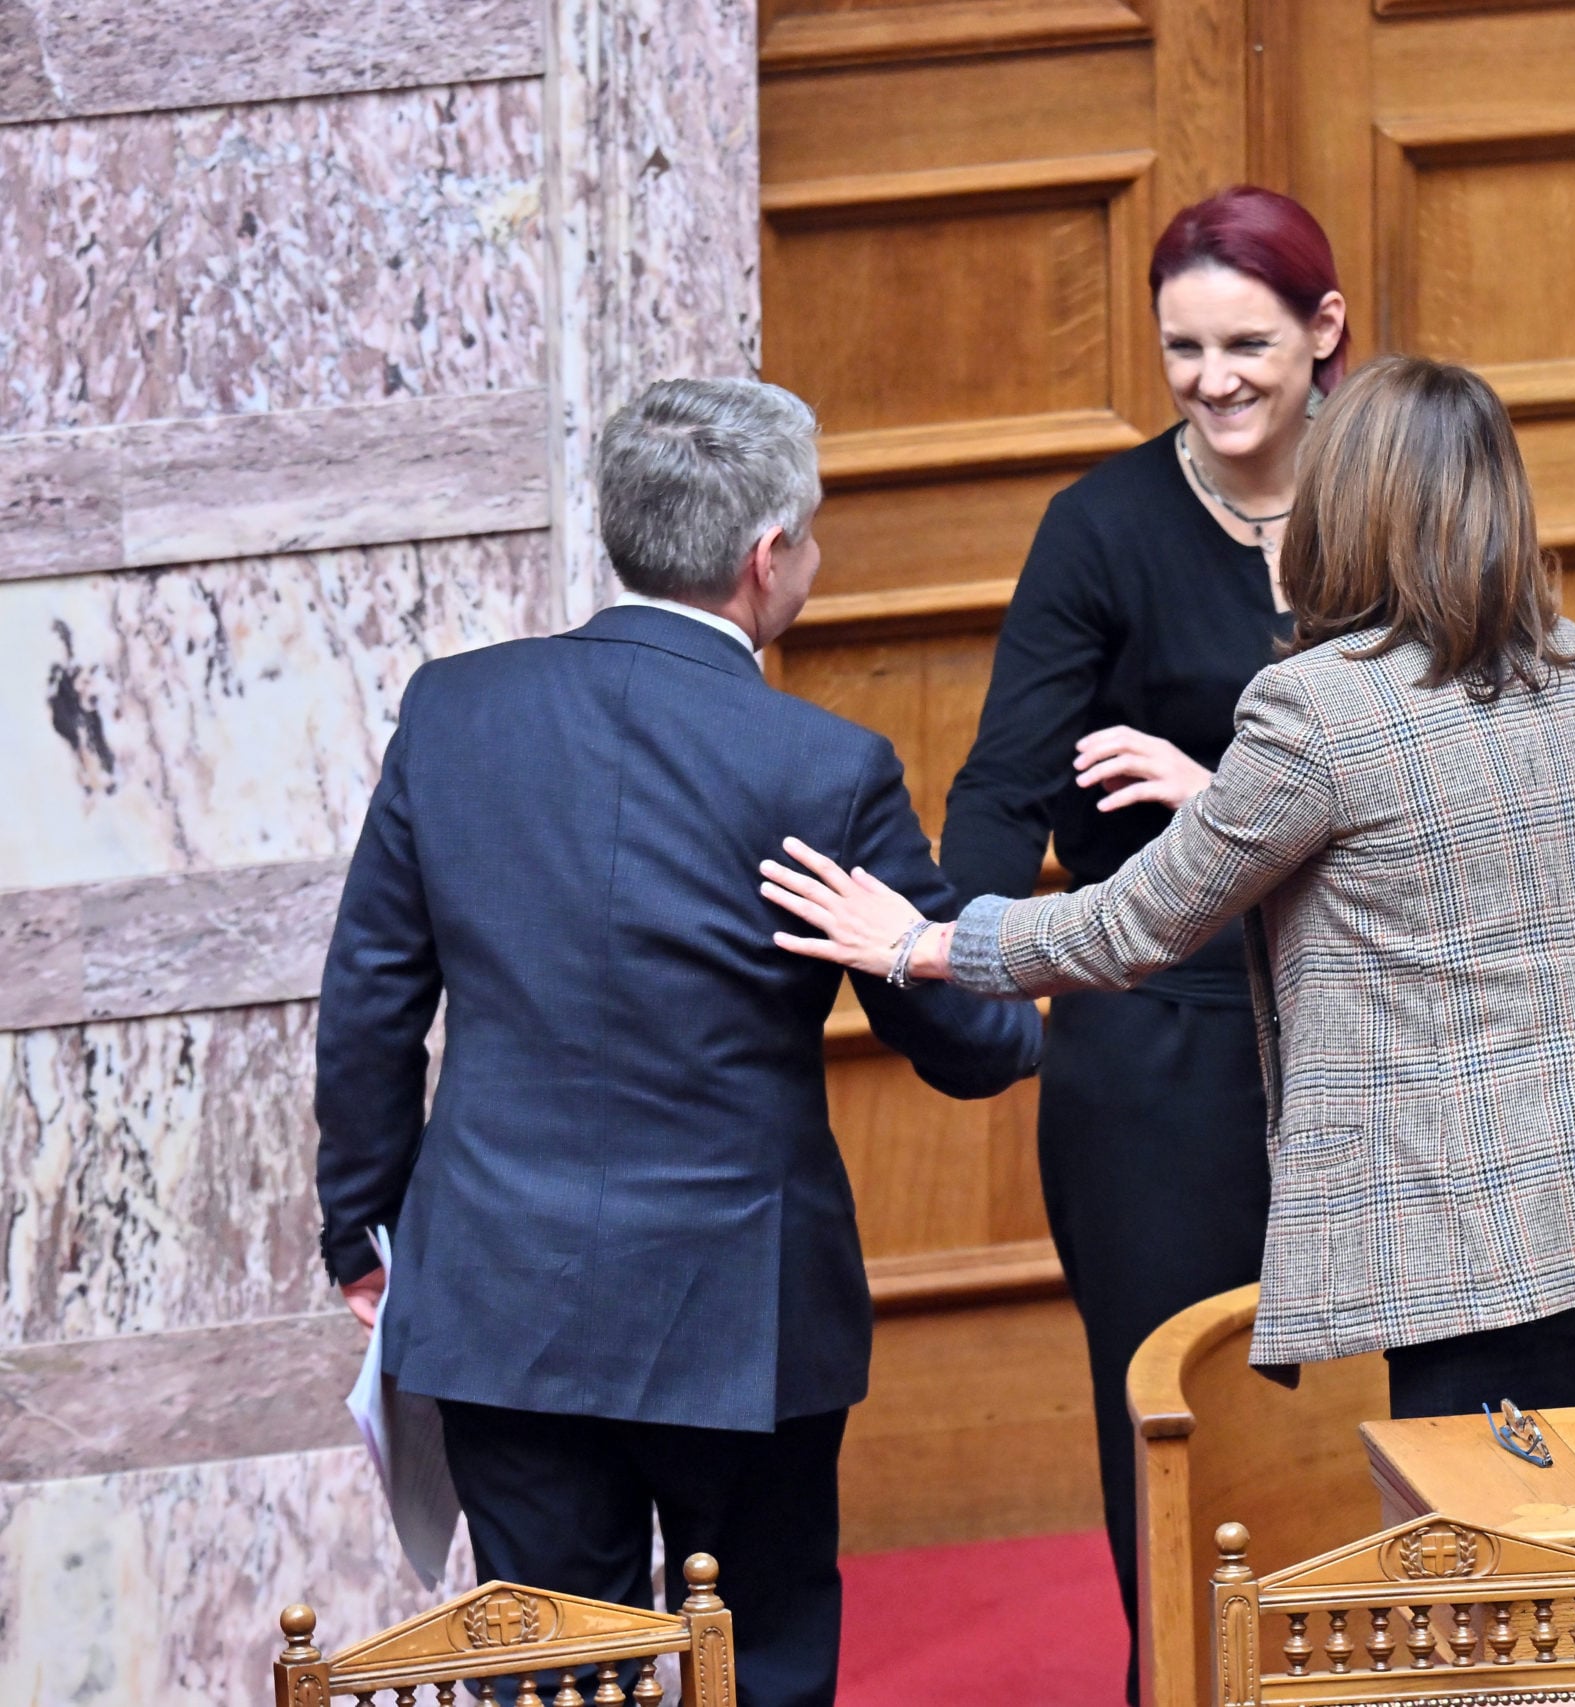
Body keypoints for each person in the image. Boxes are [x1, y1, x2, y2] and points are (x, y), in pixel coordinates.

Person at [760, 354, 1575, 1428]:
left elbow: (1133, 925)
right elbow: (1424, 836)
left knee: (1482, 1538)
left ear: (1343, 507)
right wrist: (1224, 799)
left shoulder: (1317, 706)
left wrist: (924, 942)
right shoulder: (1569, 665)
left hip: (1488, 1237)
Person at [313, 378, 1040, 1707]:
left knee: (552, 1677)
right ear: (768, 556)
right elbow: (963, 1043)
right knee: (761, 1665)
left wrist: (360, 1227)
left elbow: (371, 995)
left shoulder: (456, 711)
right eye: (811, 533)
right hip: (741, 1309)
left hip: (502, 1293)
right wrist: (1039, 994)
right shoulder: (824, 767)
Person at [931, 185, 1346, 1693]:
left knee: (1365, 1417)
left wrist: (1226, 792)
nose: (1212, 380)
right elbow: (1004, 786)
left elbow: (1466, 734)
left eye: (1247, 345)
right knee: (1170, 1420)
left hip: (1371, 1021)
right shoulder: (1100, 527)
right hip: (1159, 1039)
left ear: (1324, 329)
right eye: (1183, 349)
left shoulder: (1398, 493)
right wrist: (952, 956)